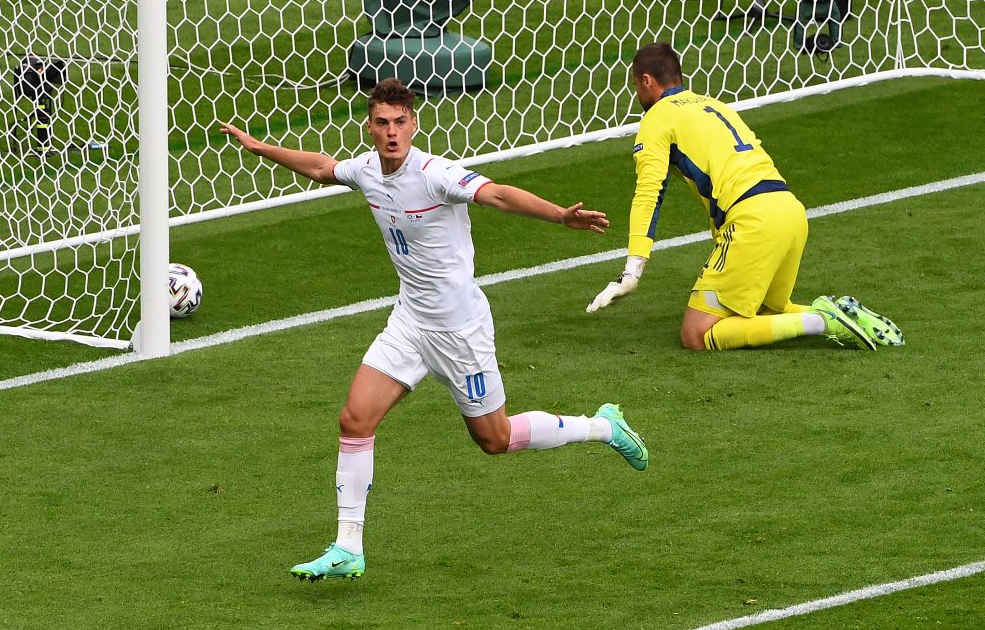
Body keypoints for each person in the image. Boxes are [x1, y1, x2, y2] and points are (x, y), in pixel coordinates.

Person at [221, 78, 648, 582]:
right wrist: (260, 147)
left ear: (414, 125)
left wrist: (560, 216)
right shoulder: (366, 170)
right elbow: (320, 166)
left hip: (460, 332)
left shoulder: (436, 175)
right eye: (382, 123)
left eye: (400, 122)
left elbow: (497, 195)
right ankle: (348, 546)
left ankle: (603, 426)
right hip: (409, 322)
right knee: (355, 419)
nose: (391, 132)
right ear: (370, 127)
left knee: (495, 438)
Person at [586, 42, 904, 352]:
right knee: (761, 312)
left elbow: (649, 194)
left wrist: (632, 272)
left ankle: (821, 321)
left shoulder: (657, 118)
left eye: (635, 85)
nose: (637, 94)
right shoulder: (714, 105)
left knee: (695, 334)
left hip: (752, 222)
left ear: (646, 80)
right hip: (790, 211)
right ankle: (841, 312)